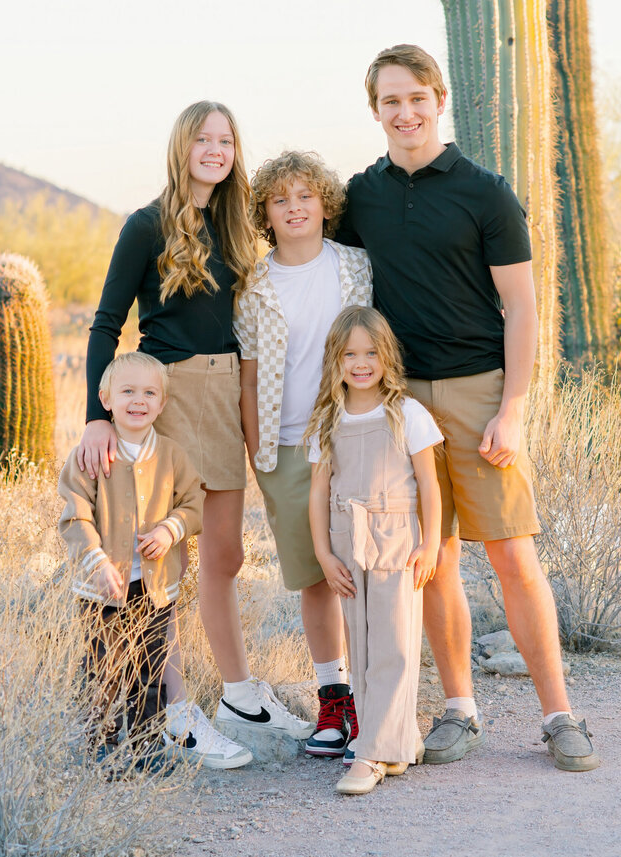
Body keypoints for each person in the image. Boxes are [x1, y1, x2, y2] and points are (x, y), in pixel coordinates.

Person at [333, 44, 600, 772]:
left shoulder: (485, 192)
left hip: (480, 389)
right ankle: (460, 709)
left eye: (416, 97)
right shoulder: (363, 196)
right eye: (390, 101)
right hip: (399, 399)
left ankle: (559, 715)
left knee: (513, 554)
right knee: (434, 558)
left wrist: (512, 408)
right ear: (376, 111)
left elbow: (521, 308)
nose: (405, 112)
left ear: (439, 99)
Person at [78, 101, 312, 769]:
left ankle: (238, 694)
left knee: (228, 554)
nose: (215, 149)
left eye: (225, 140)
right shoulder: (145, 225)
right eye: (203, 138)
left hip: (228, 392)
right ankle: (176, 711)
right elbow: (105, 324)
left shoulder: (240, 224)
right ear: (183, 146)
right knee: (165, 559)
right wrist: (98, 415)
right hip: (171, 395)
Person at [236, 150, 373, 759]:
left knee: (366, 567)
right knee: (316, 578)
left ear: (325, 205)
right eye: (280, 199)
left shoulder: (356, 267)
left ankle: (375, 700)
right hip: (287, 444)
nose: (294, 208)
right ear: (265, 213)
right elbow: (249, 375)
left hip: (355, 432)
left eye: (305, 196)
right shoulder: (253, 285)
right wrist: (258, 454)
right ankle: (334, 699)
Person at [305, 306, 442, 795]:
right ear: (335, 361)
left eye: (370, 353)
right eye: (349, 354)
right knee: (360, 646)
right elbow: (318, 491)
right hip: (347, 540)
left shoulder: (407, 413)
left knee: (395, 644)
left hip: (397, 538)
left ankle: (370, 755)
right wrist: (324, 554)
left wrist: (431, 543)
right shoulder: (327, 419)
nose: (360, 363)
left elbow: (429, 482)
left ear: (387, 357)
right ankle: (397, 742)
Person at [58, 352, 205, 768]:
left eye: (148, 393)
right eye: (127, 392)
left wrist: (169, 530)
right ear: (105, 399)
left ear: (161, 403)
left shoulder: (172, 456)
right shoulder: (88, 456)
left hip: (154, 589)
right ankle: (99, 749)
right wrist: (98, 562)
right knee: (102, 671)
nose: (138, 401)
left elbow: (194, 503)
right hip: (100, 588)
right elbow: (74, 515)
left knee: (149, 672)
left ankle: (145, 748)